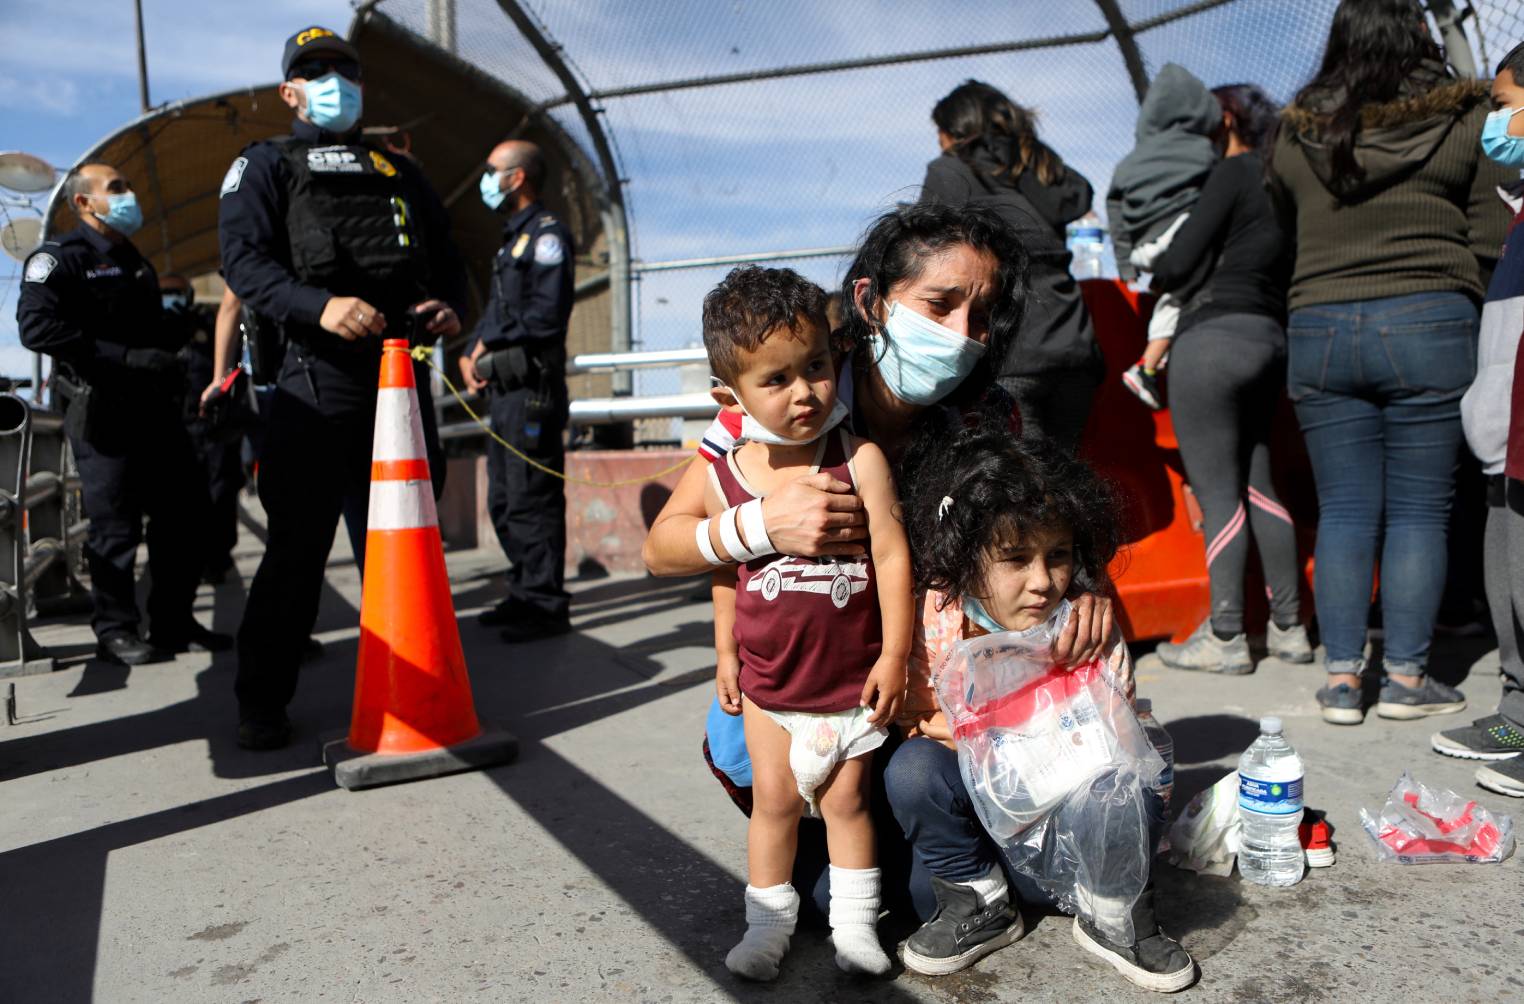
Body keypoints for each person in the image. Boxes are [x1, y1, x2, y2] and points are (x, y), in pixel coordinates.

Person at [218, 26, 466, 750]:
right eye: (314, 71)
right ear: (289, 91)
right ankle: (261, 702)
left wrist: (450, 306)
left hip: (400, 378)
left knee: (403, 549)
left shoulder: (398, 171)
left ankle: (419, 692)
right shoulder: (264, 163)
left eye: (343, 70)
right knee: (297, 550)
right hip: (315, 379)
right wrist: (315, 305)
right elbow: (243, 264)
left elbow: (449, 258)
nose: (333, 80)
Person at [888, 419, 1195, 992]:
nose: (1043, 582)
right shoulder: (931, 620)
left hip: (1083, 836)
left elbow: (1118, 741)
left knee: (1145, 759)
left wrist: (991, 737)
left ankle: (1112, 912)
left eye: (1058, 555)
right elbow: (917, 723)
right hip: (992, 831)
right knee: (912, 774)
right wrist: (1007, 741)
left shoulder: (1087, 625)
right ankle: (981, 904)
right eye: (1014, 558)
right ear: (965, 554)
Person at [1270, 0, 1512, 726]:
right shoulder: (1465, 118)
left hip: (1319, 324)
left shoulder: (1295, 132)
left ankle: (1342, 679)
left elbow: (1285, 225)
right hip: (1430, 318)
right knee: (1418, 509)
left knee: (1343, 508)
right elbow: (1491, 227)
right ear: (1420, 37)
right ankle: (1407, 679)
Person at [698, 267, 910, 980]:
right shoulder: (724, 477)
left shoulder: (861, 460)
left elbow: (891, 556)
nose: (805, 392)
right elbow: (725, 573)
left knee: (850, 802)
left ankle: (855, 927)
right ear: (729, 397)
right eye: (776, 380)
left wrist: (895, 658)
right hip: (768, 689)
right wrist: (725, 653)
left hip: (852, 684)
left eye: (816, 367)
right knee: (776, 804)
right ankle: (766, 929)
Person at [16, 163, 230, 666]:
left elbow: (149, 331)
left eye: (128, 185)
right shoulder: (59, 258)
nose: (128, 194)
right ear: (83, 204)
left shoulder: (135, 261)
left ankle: (174, 620)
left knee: (184, 515)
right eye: (115, 189)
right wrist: (123, 358)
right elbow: (36, 329)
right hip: (102, 413)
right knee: (115, 527)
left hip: (155, 411)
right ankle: (114, 631)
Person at [1148, 84, 1312, 675]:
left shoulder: (1234, 170)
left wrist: (1159, 261)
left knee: (1218, 493)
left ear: (1223, 119)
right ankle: (1290, 630)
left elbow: (1175, 263)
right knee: (1263, 483)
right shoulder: (1286, 182)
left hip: (1212, 340)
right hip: (1270, 338)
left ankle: (1226, 637)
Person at [919, 80, 1103, 451]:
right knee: (1062, 476)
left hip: (1015, 351)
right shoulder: (1039, 168)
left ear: (954, 131)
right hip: (1076, 347)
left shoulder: (950, 171)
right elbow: (1078, 198)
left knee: (1024, 487)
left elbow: (927, 250)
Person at [1435, 41, 1524, 797]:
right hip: (1502, 424)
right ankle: (1518, 708)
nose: (1494, 125)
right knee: (1507, 560)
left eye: (1502, 106)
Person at [459, 140, 576, 643]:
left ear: (519, 177)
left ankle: (546, 603)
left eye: (493, 170)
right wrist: (472, 352)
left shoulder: (548, 237)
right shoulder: (511, 241)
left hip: (532, 387)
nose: (487, 179)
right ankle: (524, 590)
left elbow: (544, 318)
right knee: (505, 498)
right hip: (505, 391)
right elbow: (497, 314)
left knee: (532, 496)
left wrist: (493, 346)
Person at [1105, 63, 1221, 411]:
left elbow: (1114, 208)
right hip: (1181, 236)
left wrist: (1127, 263)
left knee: (1172, 294)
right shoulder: (1201, 150)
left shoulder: (1128, 163)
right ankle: (1147, 366)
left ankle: (1151, 357)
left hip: (1144, 249)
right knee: (1183, 295)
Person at [161, 275, 245, 584]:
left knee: (221, 490)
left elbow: (229, 364)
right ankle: (188, 562)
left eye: (175, 293)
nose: (170, 299)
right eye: (165, 293)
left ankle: (217, 558)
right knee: (180, 499)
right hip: (173, 428)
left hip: (212, 424)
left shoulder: (207, 325)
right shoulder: (153, 327)